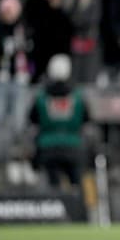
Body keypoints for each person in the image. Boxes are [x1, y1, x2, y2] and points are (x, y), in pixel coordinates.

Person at [29, 54, 90, 190]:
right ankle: (78, 208)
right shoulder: (78, 97)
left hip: (47, 147)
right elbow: (86, 119)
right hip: (73, 146)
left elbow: (32, 120)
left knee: (53, 189)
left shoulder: (41, 98)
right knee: (77, 188)